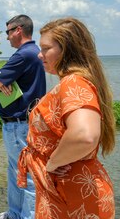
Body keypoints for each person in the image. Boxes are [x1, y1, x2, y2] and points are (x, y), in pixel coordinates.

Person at [17, 17, 116, 218]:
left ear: (67, 50)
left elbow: (84, 135)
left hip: (70, 194)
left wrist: (52, 164)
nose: (40, 54)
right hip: (69, 189)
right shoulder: (78, 81)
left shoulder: (73, 83)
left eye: (46, 48)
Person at [0, 14, 46, 219]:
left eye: (8, 32)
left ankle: (25, 216)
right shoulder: (34, 53)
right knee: (17, 171)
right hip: (26, 123)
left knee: (26, 175)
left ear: (18, 30)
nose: (7, 37)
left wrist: (1, 80)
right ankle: (15, 214)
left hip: (18, 125)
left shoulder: (23, 54)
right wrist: (3, 79)